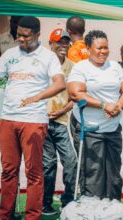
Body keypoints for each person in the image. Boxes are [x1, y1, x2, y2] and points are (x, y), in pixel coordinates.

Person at [0, 16, 66, 219]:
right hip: (8, 119)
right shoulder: (10, 54)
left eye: (25, 36)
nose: (21, 39)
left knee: (33, 172)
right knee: (8, 170)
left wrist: (38, 96)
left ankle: (32, 216)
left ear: (37, 35)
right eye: (18, 35)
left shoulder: (48, 57)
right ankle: (5, 215)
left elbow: (59, 83)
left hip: (33, 120)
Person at [67, 30, 123, 200]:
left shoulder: (115, 67)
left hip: (112, 129)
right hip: (89, 128)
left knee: (113, 173)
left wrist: (118, 106)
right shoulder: (80, 68)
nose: (104, 51)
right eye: (99, 48)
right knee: (93, 173)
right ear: (88, 48)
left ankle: (112, 208)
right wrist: (104, 105)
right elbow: (75, 93)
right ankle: (92, 210)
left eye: (106, 47)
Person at [42, 28, 77, 216]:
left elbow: (75, 95)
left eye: (66, 42)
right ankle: (45, 204)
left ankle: (68, 201)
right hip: (43, 121)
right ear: (51, 43)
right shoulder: (42, 63)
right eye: (59, 42)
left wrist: (63, 110)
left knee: (71, 162)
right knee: (48, 165)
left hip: (62, 122)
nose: (63, 45)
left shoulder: (72, 66)